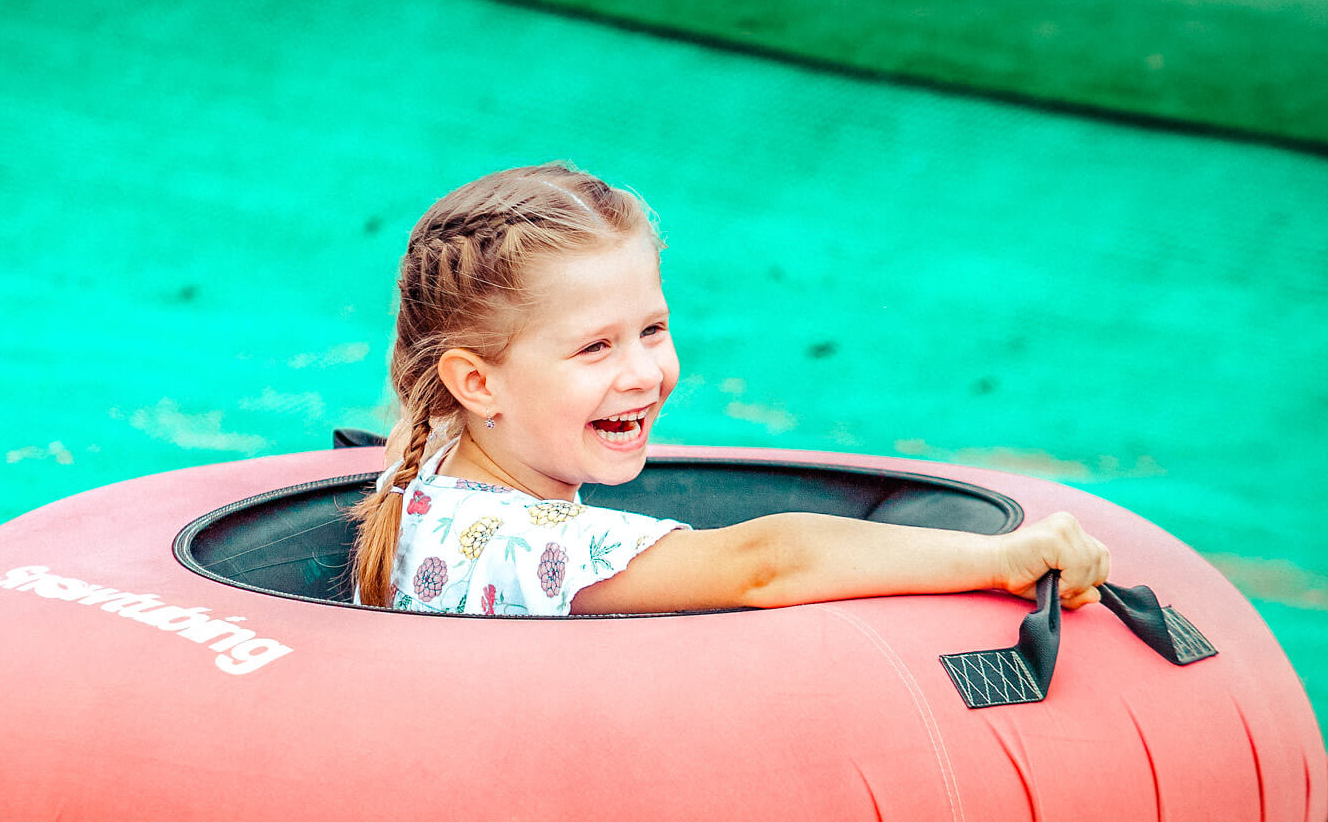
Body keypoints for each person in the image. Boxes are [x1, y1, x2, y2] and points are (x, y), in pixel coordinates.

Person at [348, 162, 1109, 616]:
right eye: (594, 347)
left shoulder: (433, 466)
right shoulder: (525, 548)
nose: (643, 373)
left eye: (652, 329)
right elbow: (766, 565)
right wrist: (1003, 559)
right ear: (476, 382)